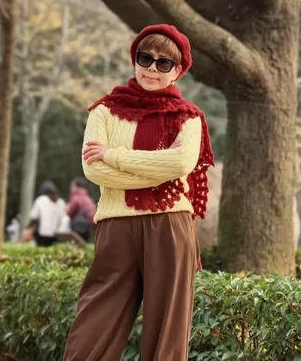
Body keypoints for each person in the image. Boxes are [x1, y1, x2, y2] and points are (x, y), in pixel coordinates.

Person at [63, 24, 214, 361]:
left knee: (167, 331)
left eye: (164, 63)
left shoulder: (188, 118)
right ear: (135, 60)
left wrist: (114, 156)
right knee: (96, 320)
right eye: (146, 58)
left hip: (170, 225)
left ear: (177, 71)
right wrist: (156, 170)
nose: (152, 69)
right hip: (116, 226)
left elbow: (181, 163)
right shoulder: (104, 111)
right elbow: (94, 170)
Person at [25, 181, 66, 247]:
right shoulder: (61, 202)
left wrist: (27, 228)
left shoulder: (40, 200)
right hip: (57, 235)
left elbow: (34, 217)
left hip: (42, 235)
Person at [66, 178, 96, 242]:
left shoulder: (76, 196)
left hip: (79, 227)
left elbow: (70, 212)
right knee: (85, 243)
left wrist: (66, 209)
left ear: (75, 186)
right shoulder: (87, 197)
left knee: (77, 244)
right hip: (88, 226)